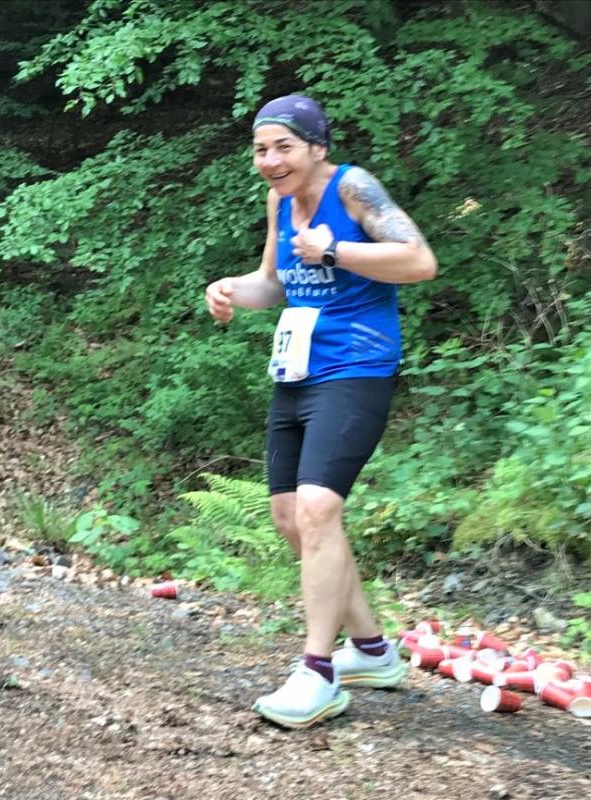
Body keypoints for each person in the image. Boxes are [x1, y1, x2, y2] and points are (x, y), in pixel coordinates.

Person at [205, 95, 437, 729]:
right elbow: (275, 282)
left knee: (317, 509)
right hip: (297, 369)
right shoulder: (279, 202)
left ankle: (318, 673)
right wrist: (229, 291)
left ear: (317, 148)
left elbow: (420, 262)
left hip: (357, 367)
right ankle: (373, 651)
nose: (271, 160)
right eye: (261, 149)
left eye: (284, 147)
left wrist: (338, 251)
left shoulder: (354, 188)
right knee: (291, 517)